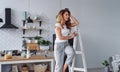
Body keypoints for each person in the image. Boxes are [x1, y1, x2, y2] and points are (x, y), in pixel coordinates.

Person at [54, 8, 79, 72]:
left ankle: (64, 68)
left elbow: (77, 23)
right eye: (66, 15)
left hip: (66, 44)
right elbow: (60, 37)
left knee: (71, 52)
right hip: (58, 46)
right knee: (58, 66)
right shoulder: (57, 25)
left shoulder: (67, 25)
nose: (68, 16)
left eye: (68, 15)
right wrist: (71, 36)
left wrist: (71, 15)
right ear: (61, 16)